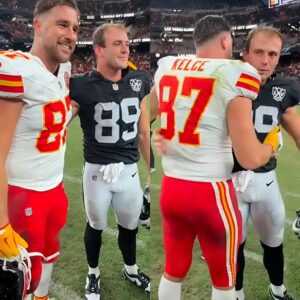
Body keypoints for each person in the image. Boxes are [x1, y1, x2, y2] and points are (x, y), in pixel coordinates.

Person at [151, 15, 280, 300]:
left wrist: (155, 135)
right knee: (224, 279)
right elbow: (248, 157)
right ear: (225, 40)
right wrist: (272, 145)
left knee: (173, 269)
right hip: (211, 192)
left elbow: (147, 113)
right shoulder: (235, 72)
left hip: (172, 189)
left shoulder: (168, 66)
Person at [0, 0, 80, 299]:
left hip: (54, 189)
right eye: (62, 24)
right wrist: (1, 224)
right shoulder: (18, 69)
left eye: (75, 28)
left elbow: (50, 121)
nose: (71, 34)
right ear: (37, 26)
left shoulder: (61, 72)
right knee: (18, 279)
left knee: (48, 258)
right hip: (22, 197)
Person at [70, 23, 150, 300]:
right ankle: (93, 273)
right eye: (117, 43)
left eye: (126, 42)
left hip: (129, 171)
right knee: (95, 225)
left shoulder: (139, 80)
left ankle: (131, 268)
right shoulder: (80, 85)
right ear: (99, 49)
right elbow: (61, 120)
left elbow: (143, 127)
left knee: (130, 227)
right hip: (97, 172)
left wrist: (150, 170)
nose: (126, 47)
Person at [233, 27, 300, 300]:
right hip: (228, 183)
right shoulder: (224, 83)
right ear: (244, 53)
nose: (265, 61)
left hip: (265, 181)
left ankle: (277, 290)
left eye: (272, 54)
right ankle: (235, 294)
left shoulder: (283, 89)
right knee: (233, 248)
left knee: (274, 243)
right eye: (258, 52)